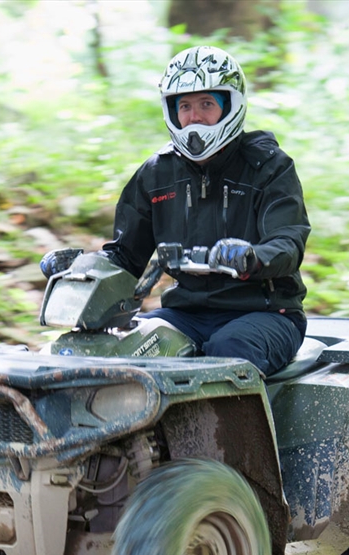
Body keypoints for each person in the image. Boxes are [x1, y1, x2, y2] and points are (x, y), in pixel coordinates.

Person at [43, 45, 310, 377]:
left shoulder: (269, 167)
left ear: (231, 106)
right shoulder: (157, 174)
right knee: (119, 349)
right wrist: (80, 267)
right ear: (171, 110)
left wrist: (251, 257)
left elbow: (288, 242)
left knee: (228, 353)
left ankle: (229, 430)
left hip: (267, 314)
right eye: (184, 106)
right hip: (186, 313)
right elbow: (125, 257)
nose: (194, 117)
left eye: (206, 104)